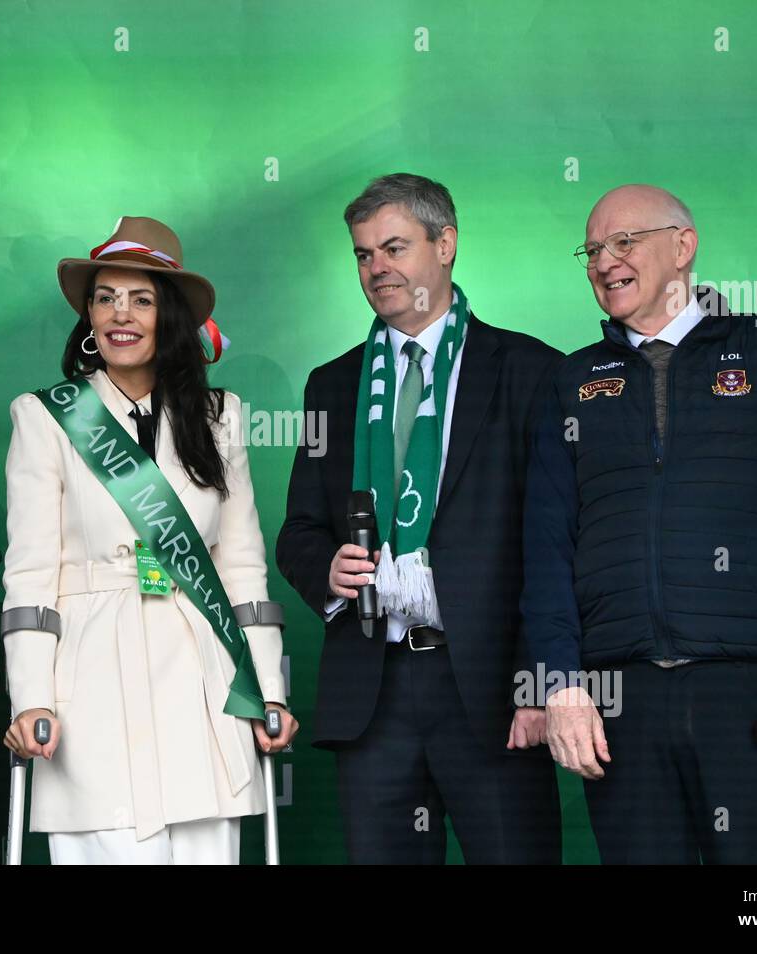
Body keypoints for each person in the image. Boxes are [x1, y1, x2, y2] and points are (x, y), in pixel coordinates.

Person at [522, 184, 757, 863]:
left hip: (747, 689)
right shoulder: (570, 382)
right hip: (618, 698)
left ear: (683, 247)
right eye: (592, 249)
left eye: (624, 242)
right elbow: (545, 550)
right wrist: (561, 686)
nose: (604, 261)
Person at [277, 174, 562, 863]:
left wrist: (540, 683)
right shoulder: (331, 384)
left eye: (394, 247)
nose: (377, 268)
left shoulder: (532, 371)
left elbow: (556, 547)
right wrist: (328, 569)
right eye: (363, 254)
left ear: (447, 244)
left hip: (494, 691)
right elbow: (299, 532)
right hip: (371, 692)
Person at [1, 216, 296, 865]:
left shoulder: (221, 417)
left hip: (203, 694)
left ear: (172, 315)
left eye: (140, 298)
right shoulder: (45, 417)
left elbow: (243, 569)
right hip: (92, 697)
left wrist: (268, 689)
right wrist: (32, 700)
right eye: (105, 297)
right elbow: (29, 578)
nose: (119, 314)